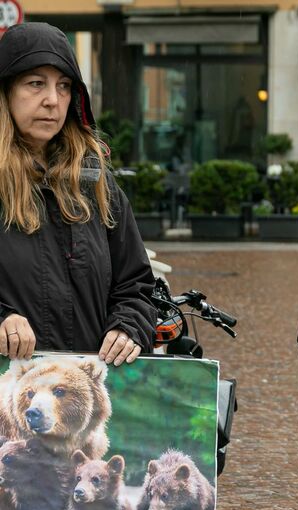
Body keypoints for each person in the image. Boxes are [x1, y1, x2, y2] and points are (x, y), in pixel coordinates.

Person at [0, 22, 156, 365]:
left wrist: (128, 327)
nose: (52, 100)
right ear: (6, 91)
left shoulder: (95, 181)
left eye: (64, 86)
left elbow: (136, 285)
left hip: (86, 395)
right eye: (36, 83)